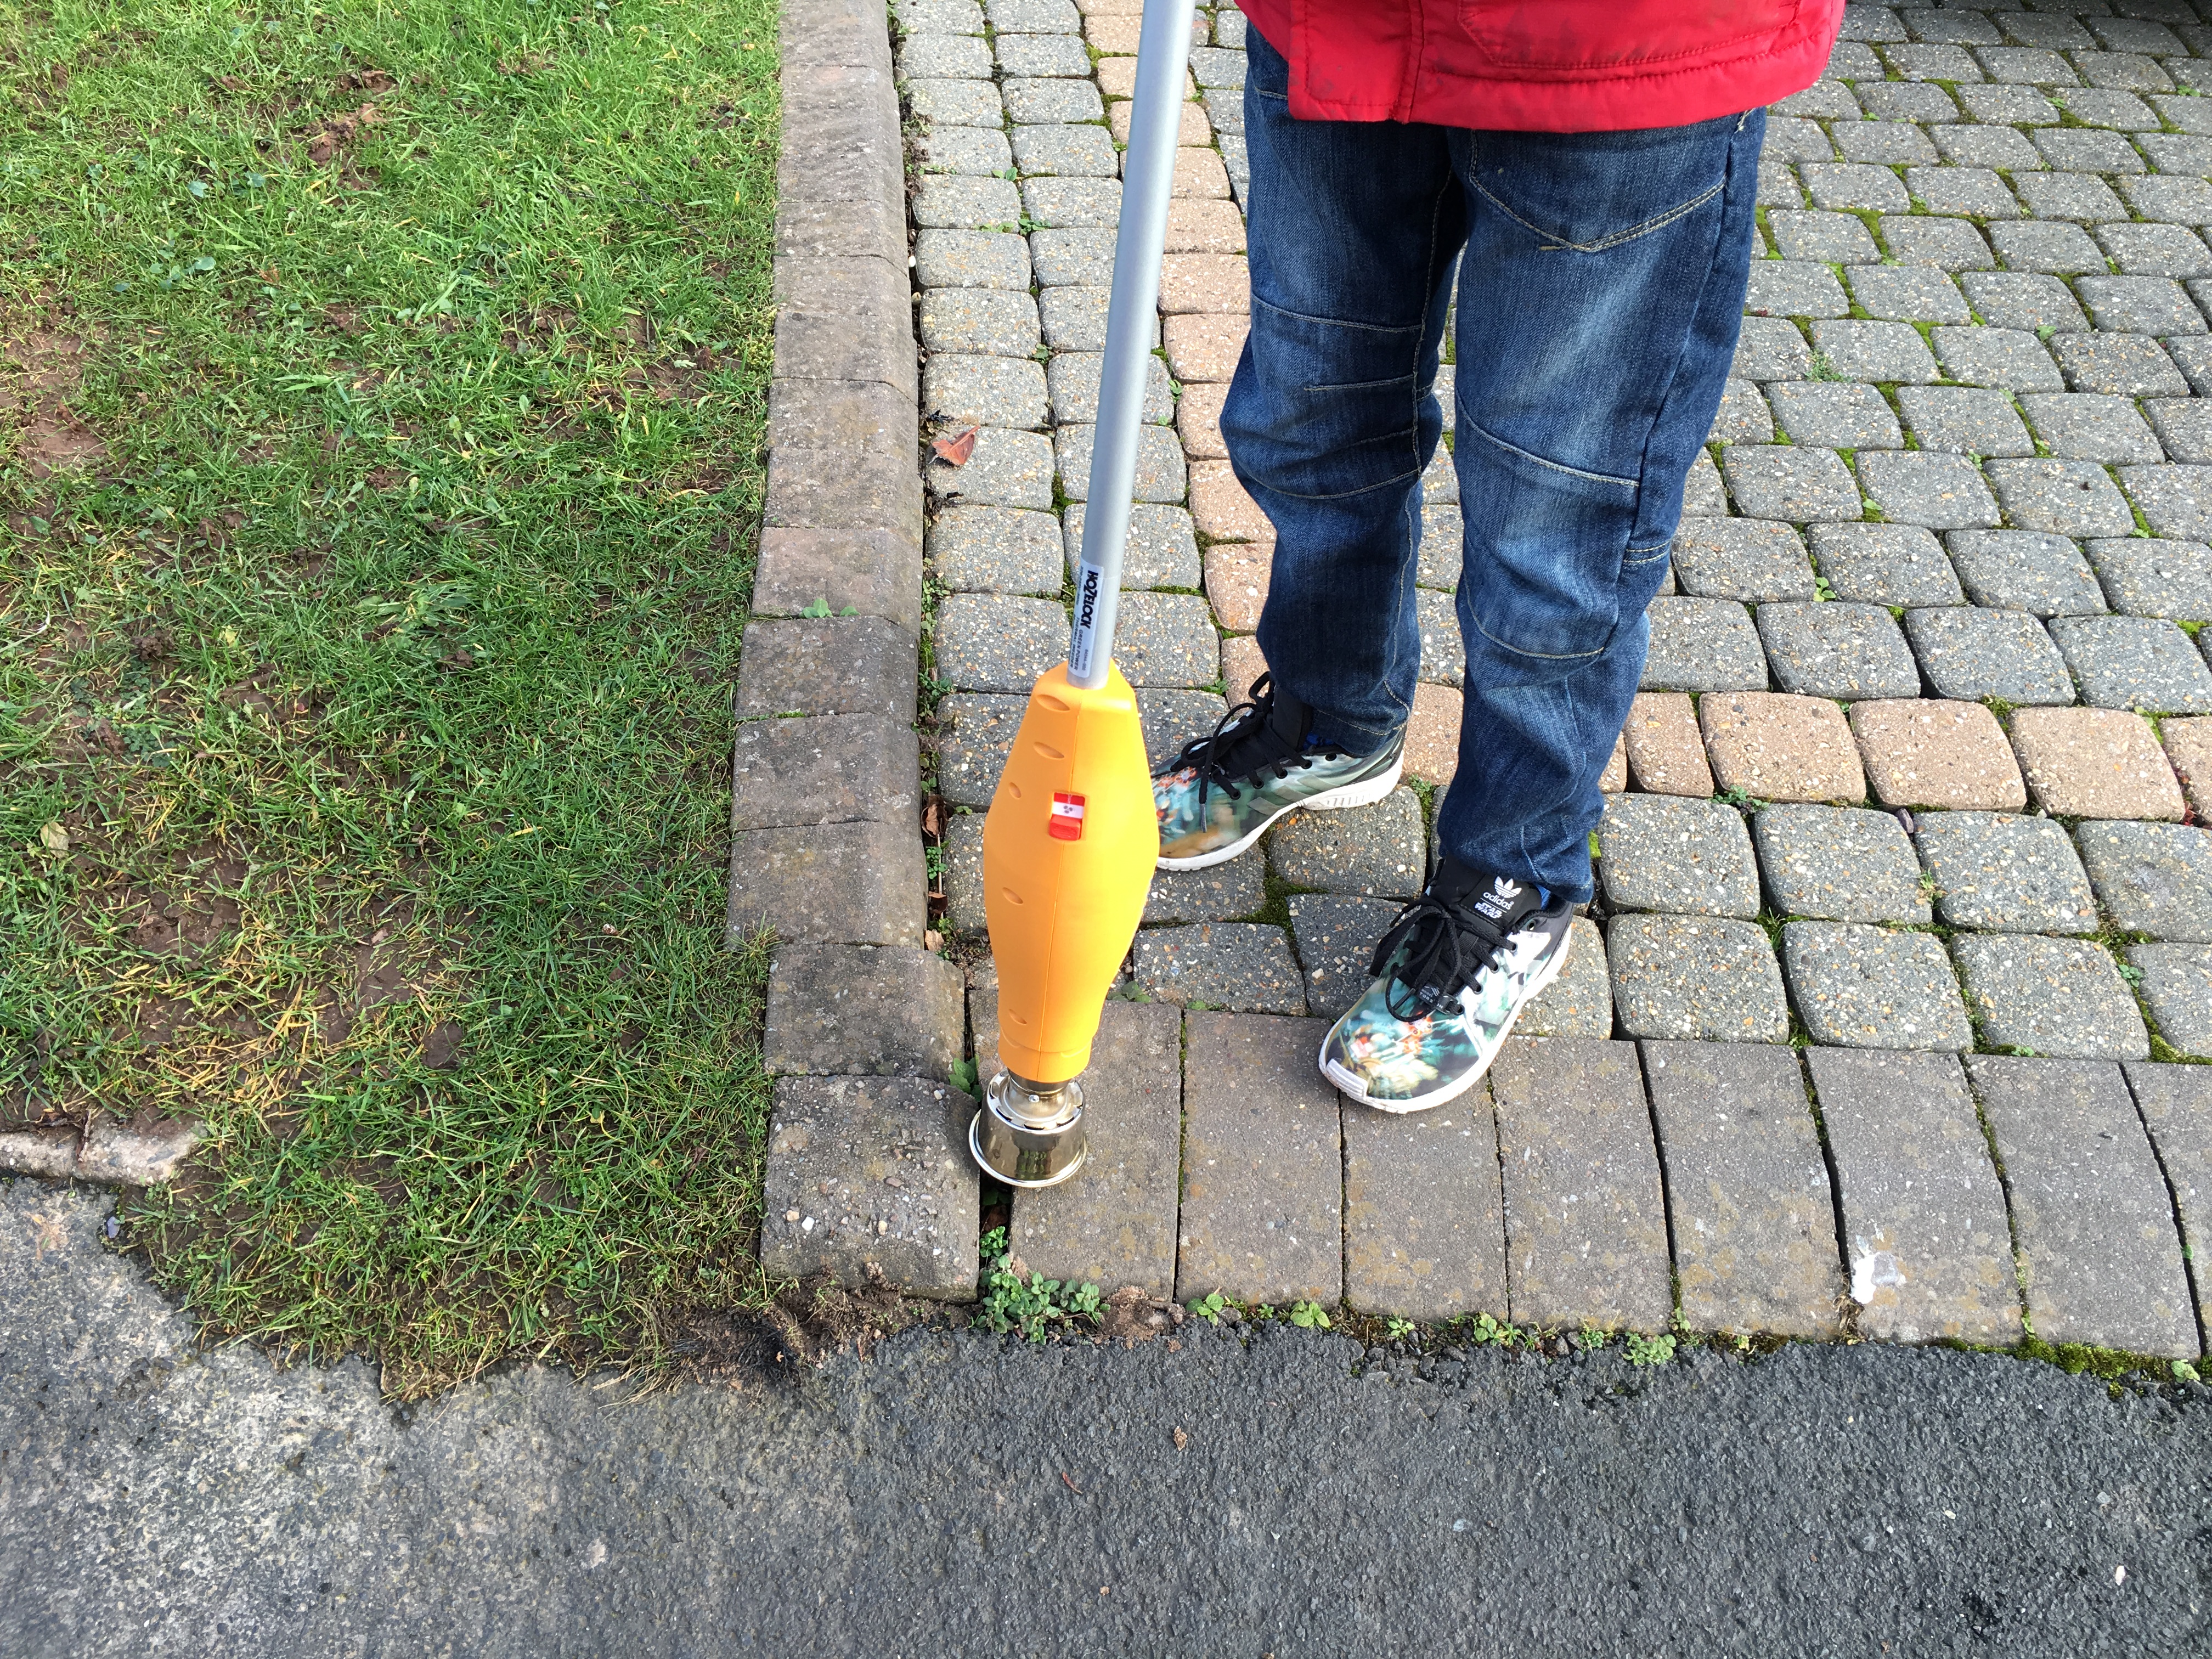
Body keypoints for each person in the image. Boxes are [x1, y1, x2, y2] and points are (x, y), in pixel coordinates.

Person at [1151, 2, 1845, 1111]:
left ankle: (1514, 873)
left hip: (1621, 49)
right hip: (1341, 22)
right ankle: (1331, 721)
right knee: (1310, 419)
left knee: (1555, 528)